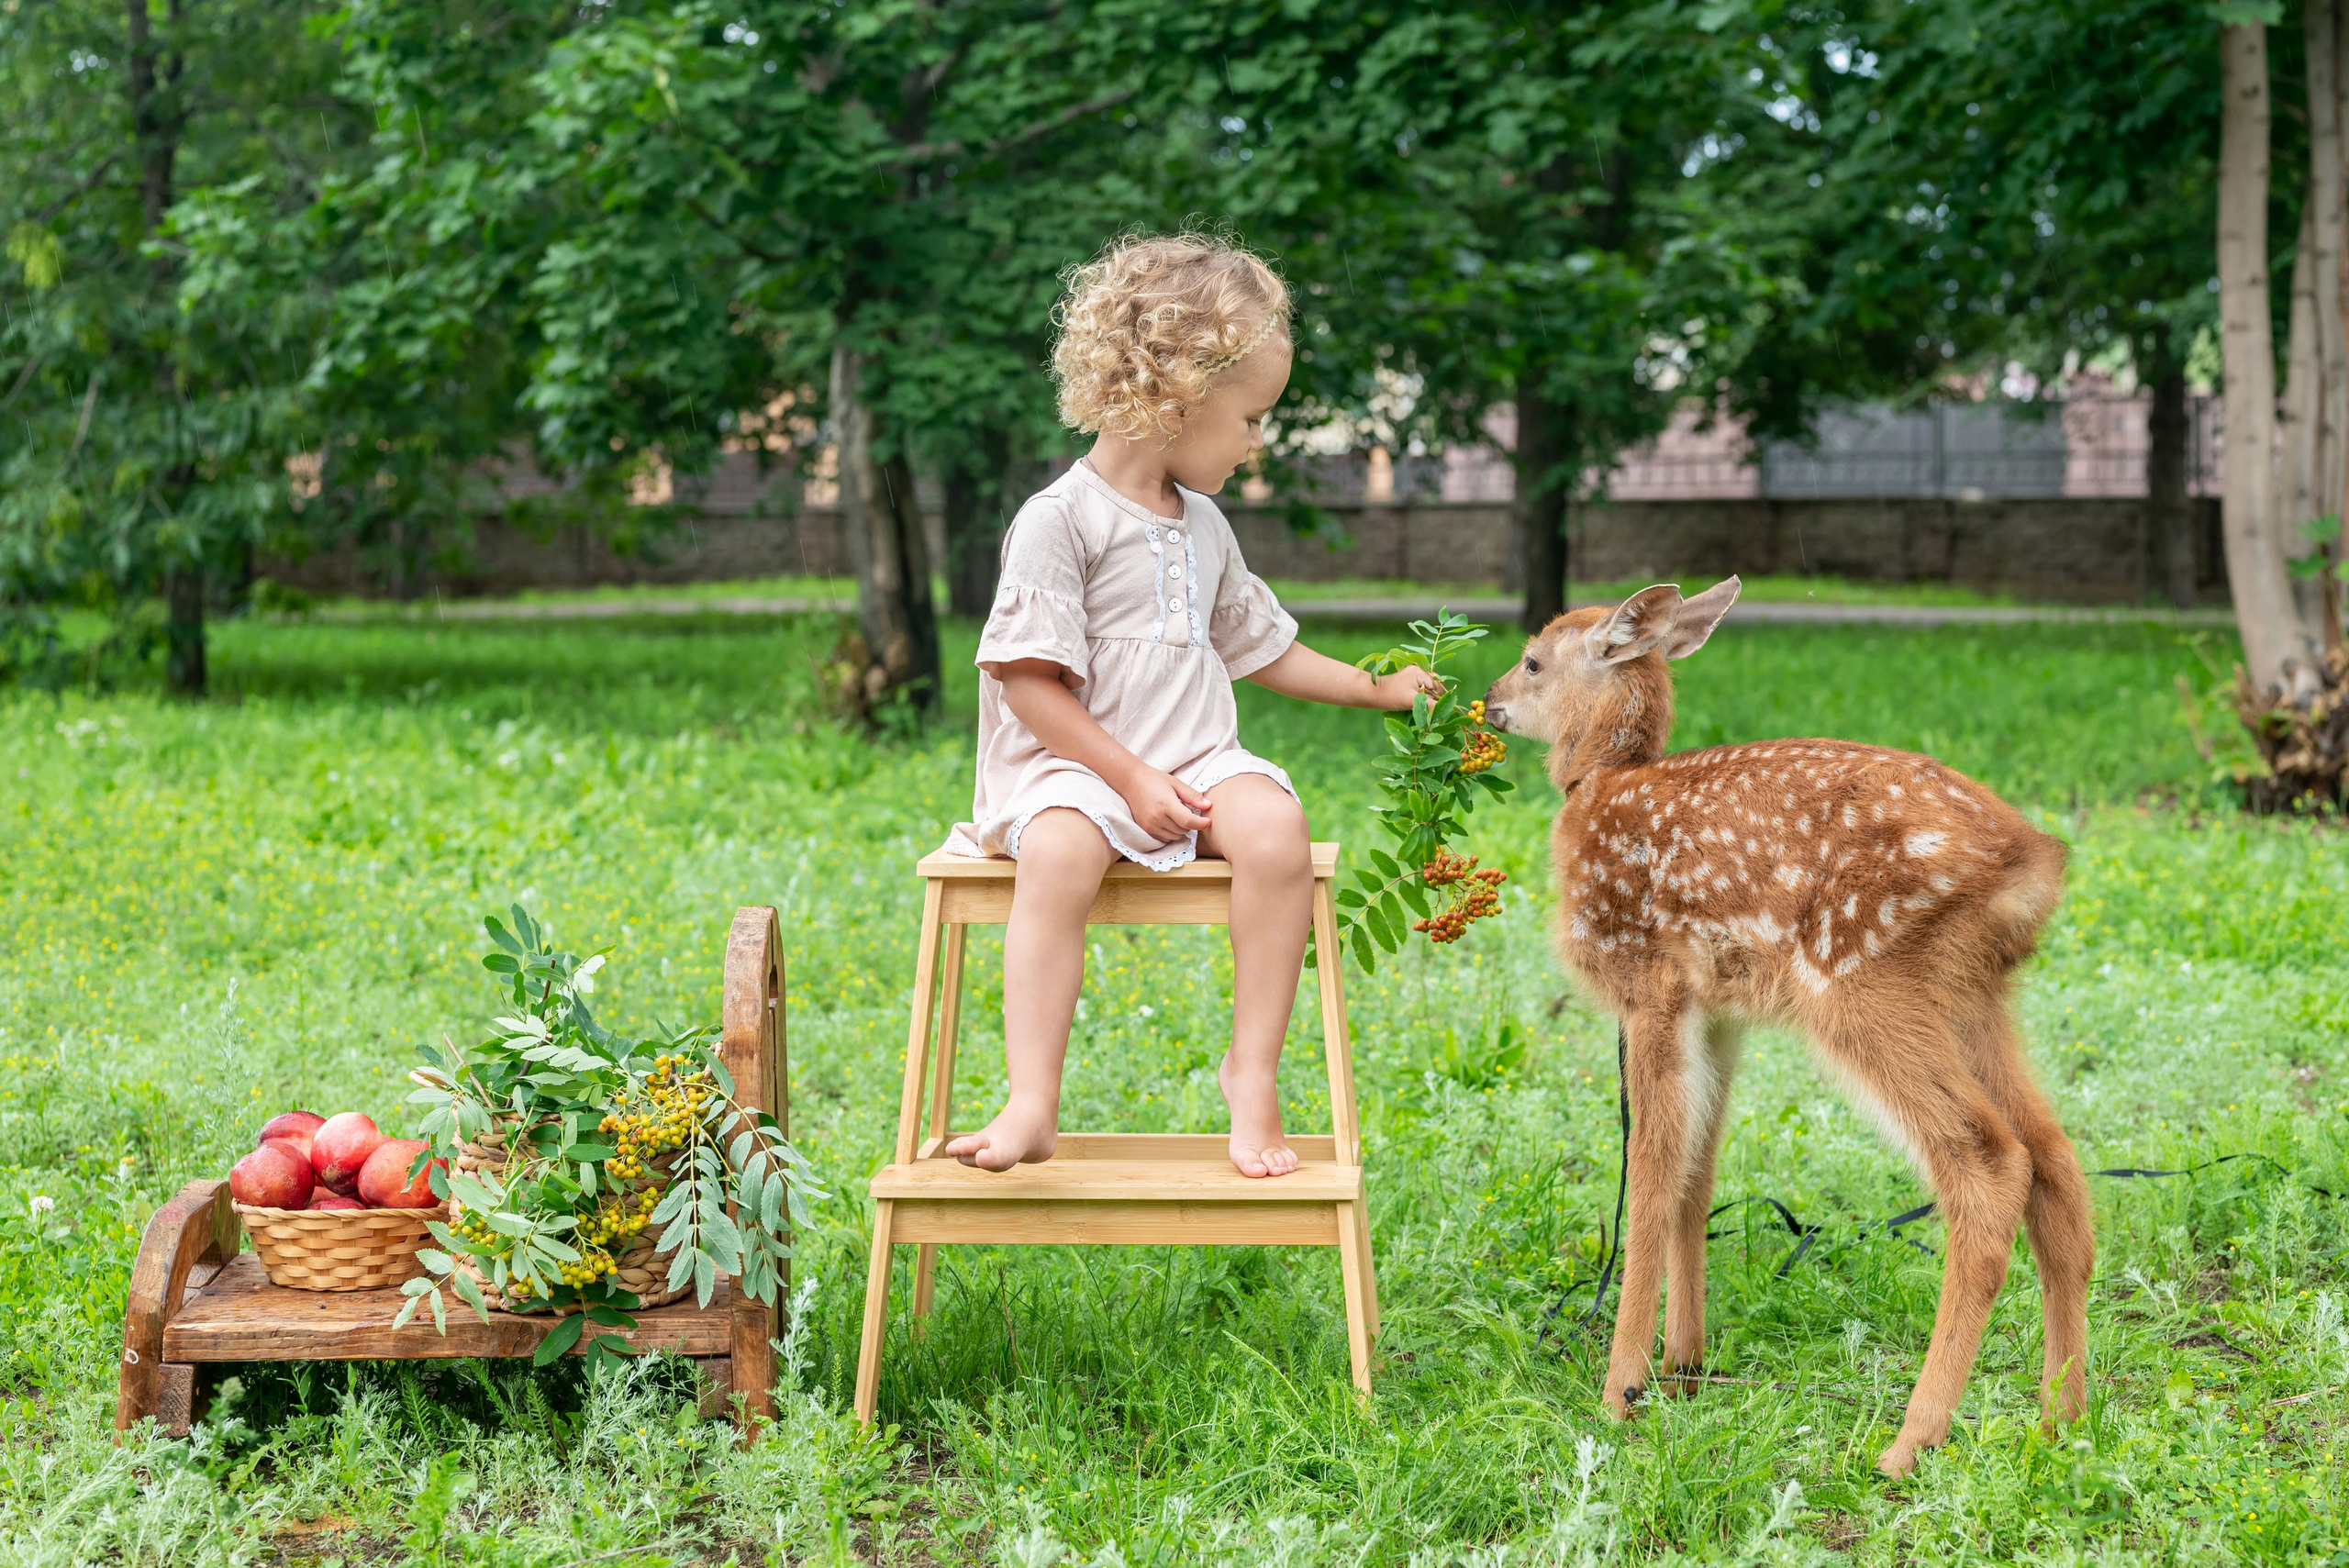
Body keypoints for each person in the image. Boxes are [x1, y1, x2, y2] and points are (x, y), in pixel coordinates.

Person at [941, 234, 1441, 1178]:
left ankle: (1250, 1072)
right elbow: (1026, 684)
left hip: (1196, 759)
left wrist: (1379, 689)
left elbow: (1266, 647)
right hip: (1073, 769)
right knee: (1059, 850)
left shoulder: (1203, 525)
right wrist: (1128, 777)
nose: (1257, 441)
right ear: (1176, 388)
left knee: (1277, 828)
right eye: (1251, 416)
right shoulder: (1062, 520)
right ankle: (1030, 1097)